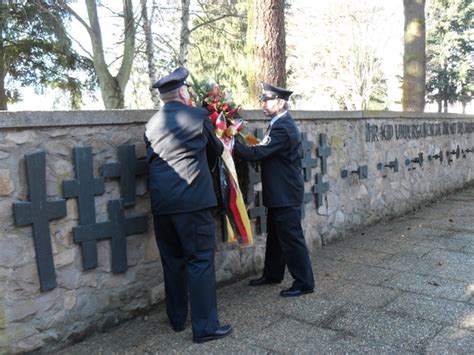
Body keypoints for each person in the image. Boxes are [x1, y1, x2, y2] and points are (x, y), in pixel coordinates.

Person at [144, 67, 232, 343]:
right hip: (193, 203)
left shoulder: (151, 124)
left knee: (172, 262)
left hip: (162, 205)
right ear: (183, 93)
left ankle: (177, 318)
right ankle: (205, 327)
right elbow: (216, 150)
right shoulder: (197, 116)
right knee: (200, 261)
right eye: (187, 90)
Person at [233, 82, 315, 297]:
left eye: (266, 101)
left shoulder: (283, 127)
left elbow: (260, 153)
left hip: (285, 193)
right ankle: (273, 274)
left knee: (291, 238)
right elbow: (265, 147)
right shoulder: (279, 123)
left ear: (279, 103)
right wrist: (245, 140)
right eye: (262, 100)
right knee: (277, 236)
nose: (262, 104)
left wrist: (230, 146)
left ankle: (304, 282)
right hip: (280, 192)